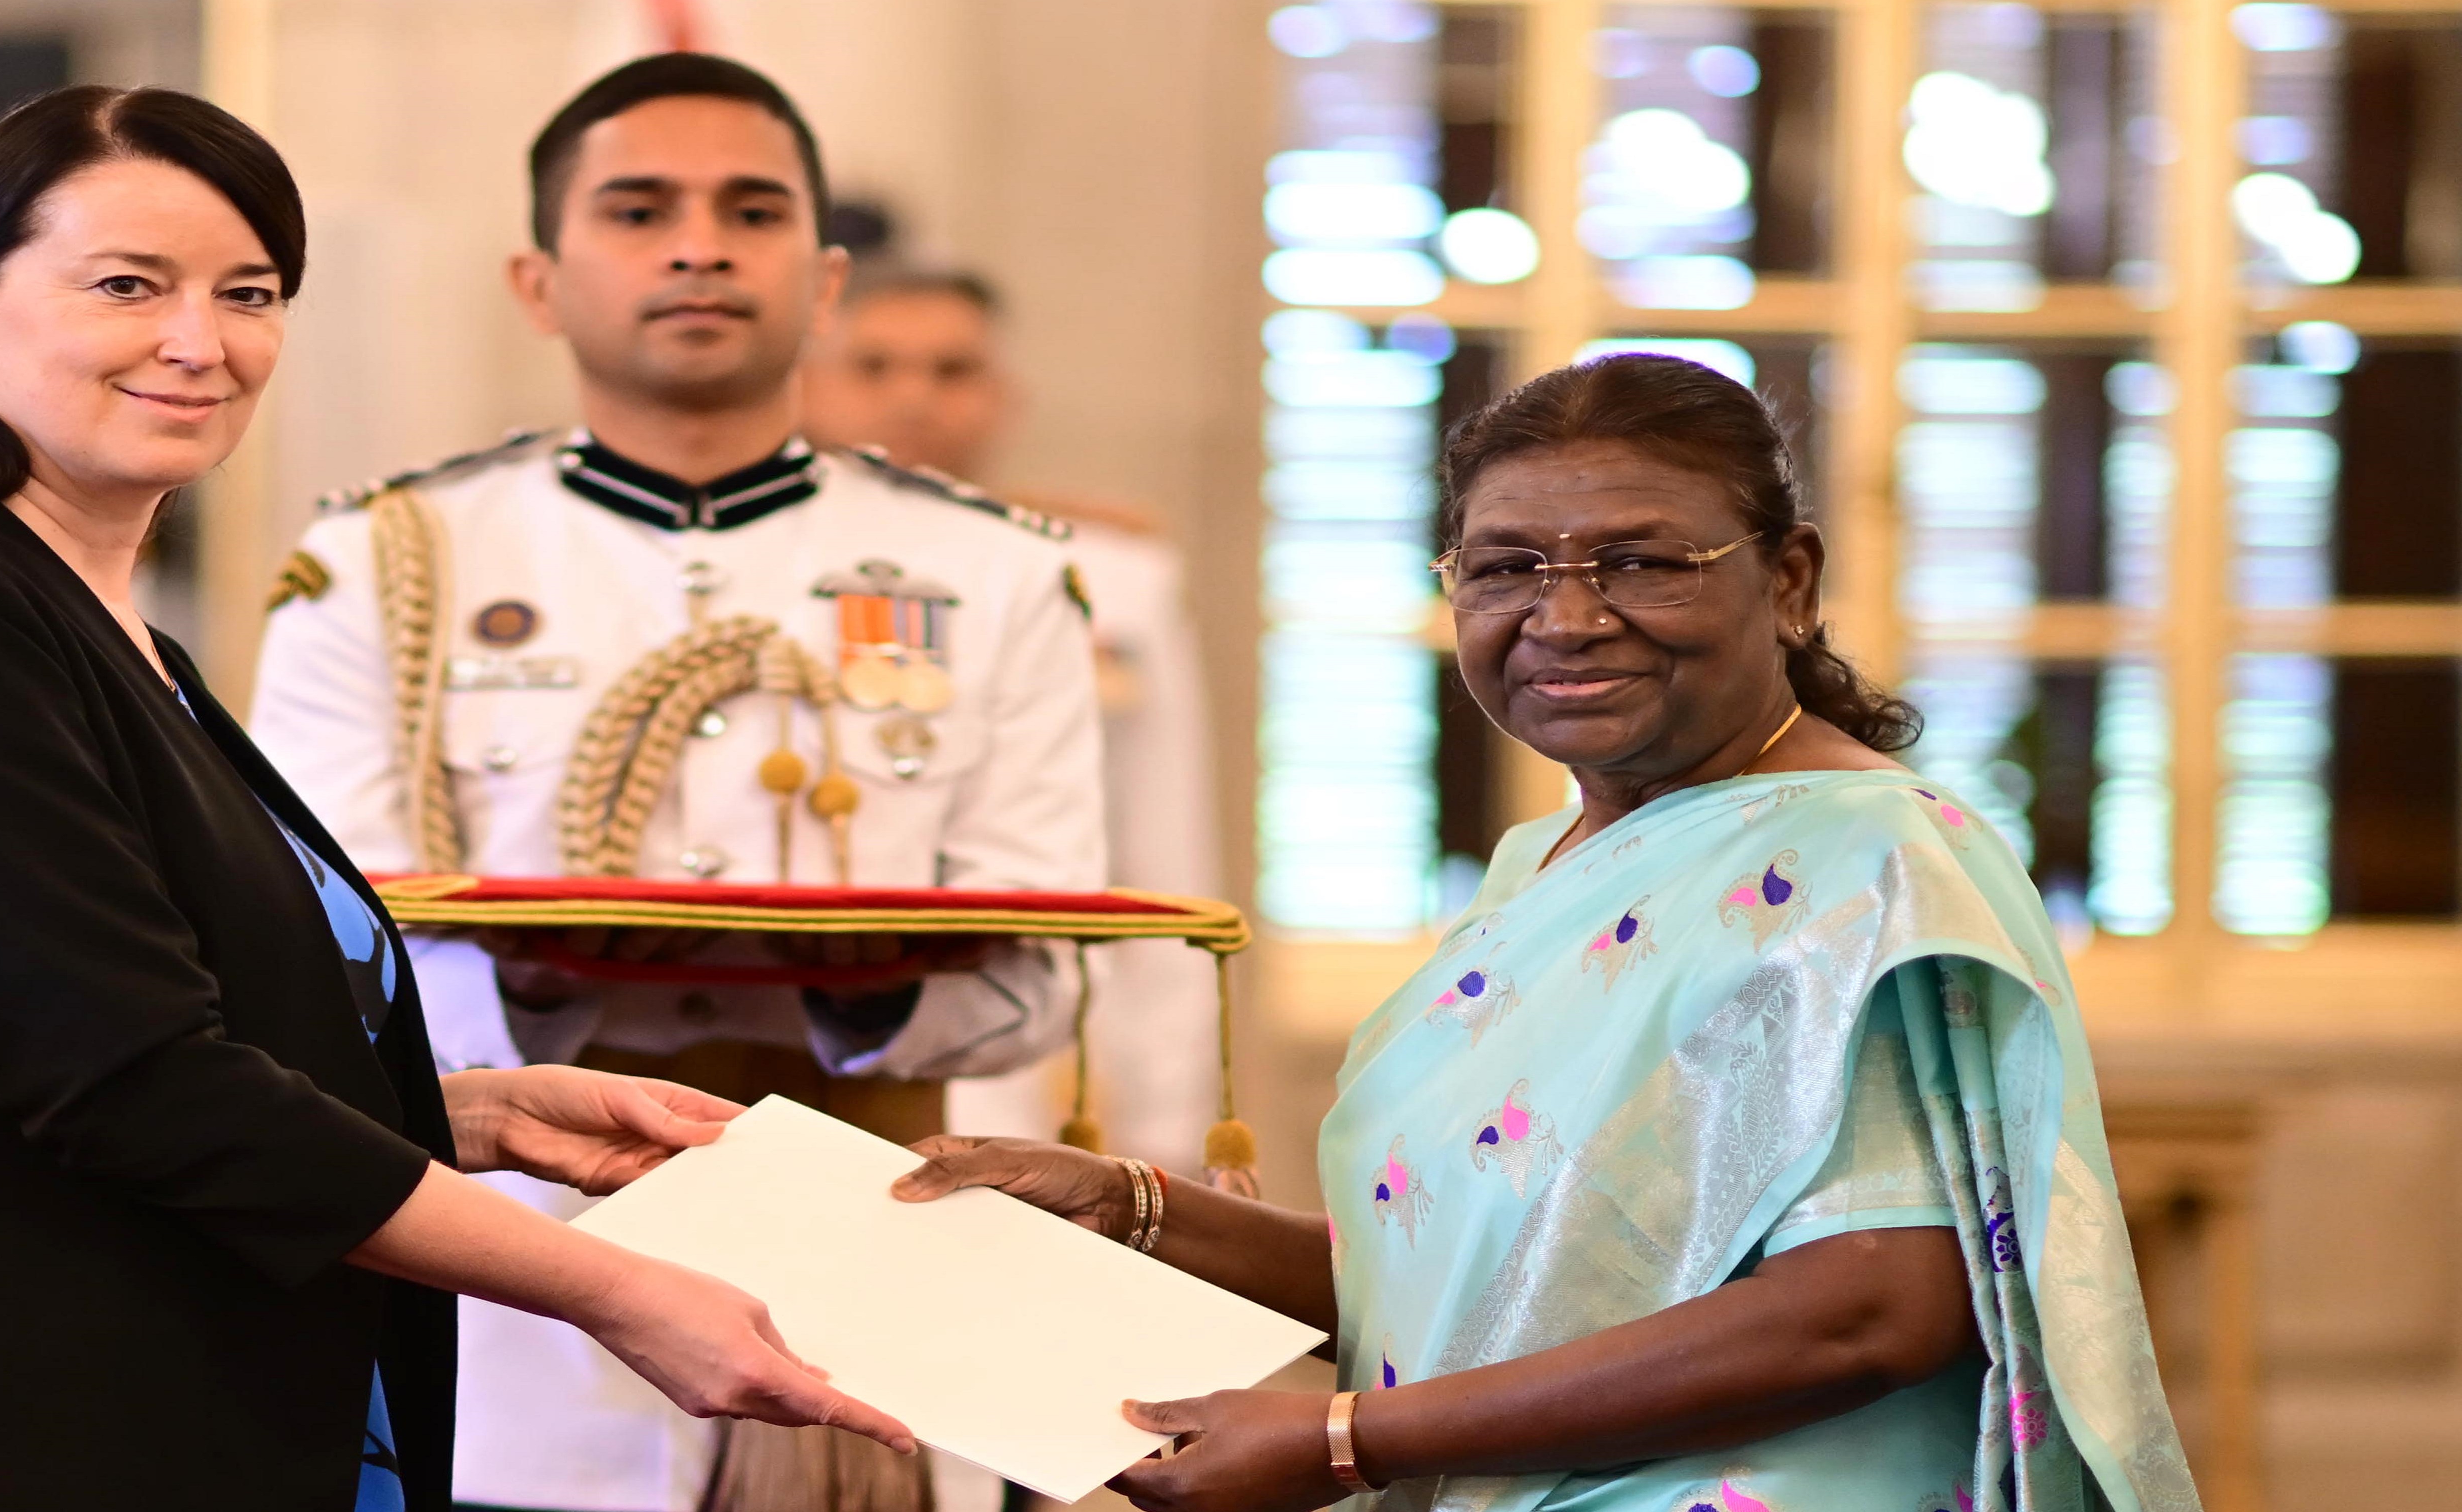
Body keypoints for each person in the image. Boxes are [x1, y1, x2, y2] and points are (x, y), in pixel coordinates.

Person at [0, 85, 906, 1512]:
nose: (201, 342)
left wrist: (471, 1111)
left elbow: (145, 1026)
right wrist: (618, 1292)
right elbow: (126, 1082)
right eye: (128, 285)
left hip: (179, 1412)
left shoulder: (122, 637)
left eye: (249, 292)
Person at [894, 356, 2197, 1512]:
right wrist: (1132, 1209)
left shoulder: (1868, 863)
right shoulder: (1549, 863)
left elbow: (1867, 1309)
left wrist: (1351, 1439)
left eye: (1639, 562)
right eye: (1508, 568)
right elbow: (1480, 1286)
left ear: (1788, 580)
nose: (1566, 617)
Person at [247, 53, 1103, 1512]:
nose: (699, 245)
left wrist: (861, 989)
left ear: (825, 279)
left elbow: (1047, 968)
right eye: (639, 210)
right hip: (513, 1285)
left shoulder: (995, 573)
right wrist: (558, 995)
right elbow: (318, 963)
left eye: (751, 211)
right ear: (539, 279)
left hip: (879, 1272)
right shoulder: (388, 563)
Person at [798, 263, 1221, 1170]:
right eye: (875, 367)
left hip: (1028, 1046)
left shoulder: (1109, 580)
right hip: (795, 1032)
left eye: (951, 372)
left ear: (1004, 398)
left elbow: (1163, 841)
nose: (913, 398)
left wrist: (1168, 1118)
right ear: (813, 386)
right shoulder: (753, 576)